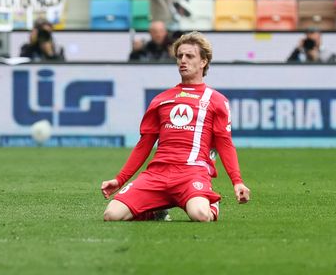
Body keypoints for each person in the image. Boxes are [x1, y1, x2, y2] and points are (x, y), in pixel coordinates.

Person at [102, 32, 251, 222]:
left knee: (200, 215)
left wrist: (237, 181)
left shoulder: (216, 100)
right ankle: (155, 211)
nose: (183, 60)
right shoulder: (161, 99)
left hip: (192, 173)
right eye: (180, 56)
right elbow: (144, 144)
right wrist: (120, 179)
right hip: (157, 174)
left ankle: (209, 202)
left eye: (190, 56)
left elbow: (225, 143)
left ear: (203, 62)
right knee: (111, 215)